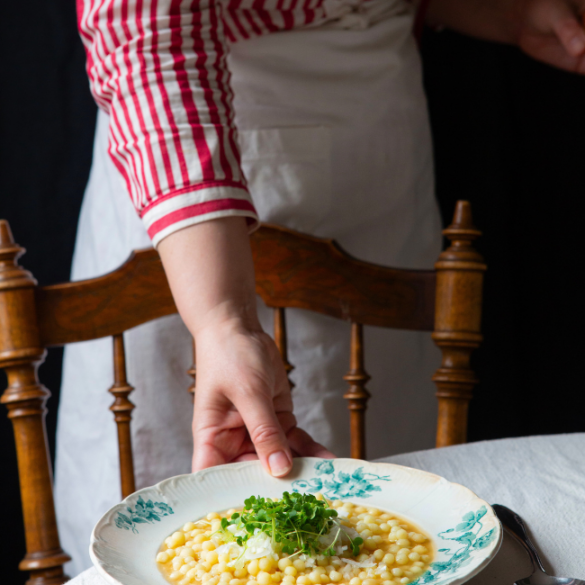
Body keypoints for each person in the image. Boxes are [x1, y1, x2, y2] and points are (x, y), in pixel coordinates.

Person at [54, 0, 585, 575]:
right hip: (193, 179)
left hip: (384, 141)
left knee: (391, 498)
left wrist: (509, 13)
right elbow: (145, 37)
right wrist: (222, 320)